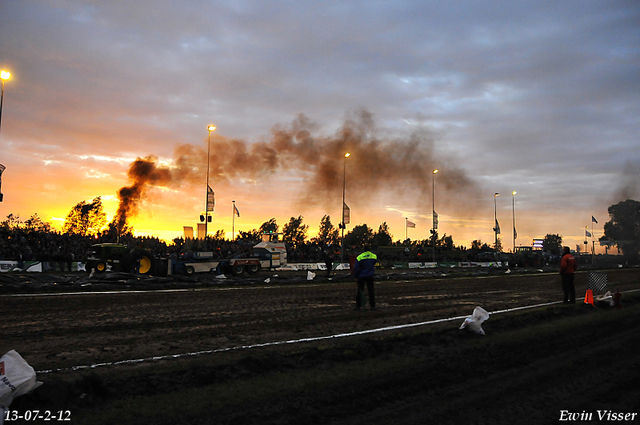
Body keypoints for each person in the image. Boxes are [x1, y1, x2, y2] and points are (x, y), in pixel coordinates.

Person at [353, 245, 377, 310]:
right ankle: (373, 306)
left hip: (361, 276)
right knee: (371, 291)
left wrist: (355, 276)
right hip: (370, 275)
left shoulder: (360, 257)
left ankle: (358, 306)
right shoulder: (374, 256)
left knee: (360, 291)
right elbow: (374, 263)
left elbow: (356, 267)